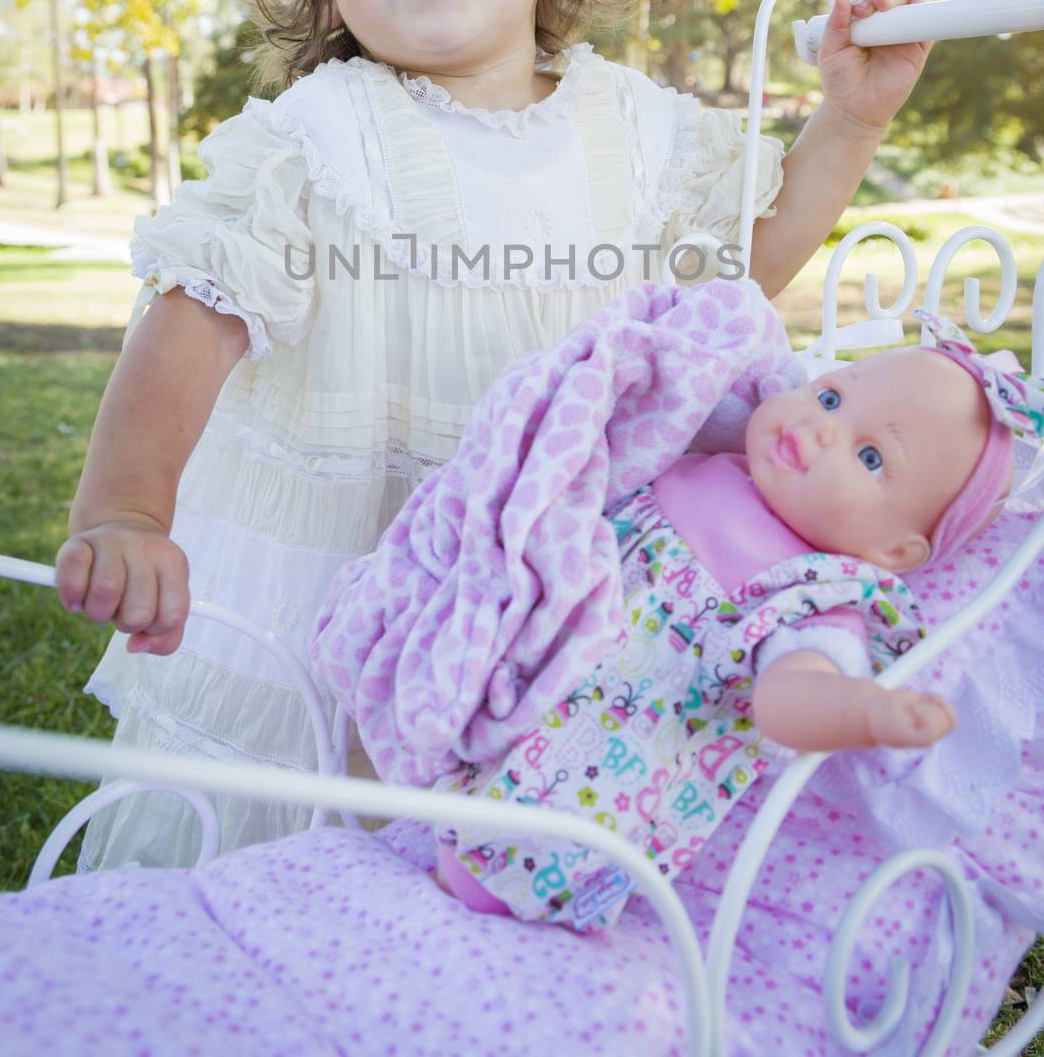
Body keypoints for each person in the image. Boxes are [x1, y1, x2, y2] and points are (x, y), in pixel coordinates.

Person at [54, 0, 931, 871]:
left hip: (555, 572)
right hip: (351, 580)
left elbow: (740, 272)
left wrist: (848, 121)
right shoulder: (320, 138)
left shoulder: (639, 126)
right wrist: (130, 510)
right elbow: (191, 318)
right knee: (326, 848)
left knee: (501, 855)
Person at [429, 322, 1028, 928]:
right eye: (831, 397)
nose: (821, 427)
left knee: (515, 852)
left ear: (896, 552)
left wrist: (859, 709)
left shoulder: (815, 594)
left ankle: (486, 884)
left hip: (599, 774)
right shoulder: (717, 454)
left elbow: (789, 694)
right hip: (525, 676)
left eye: (869, 456)